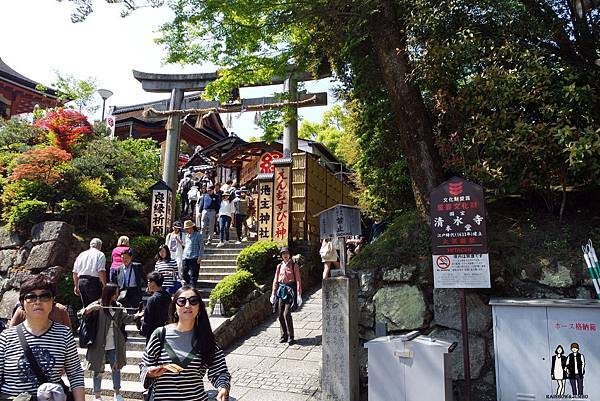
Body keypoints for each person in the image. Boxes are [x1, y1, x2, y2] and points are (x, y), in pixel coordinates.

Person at [0, 275, 85, 400]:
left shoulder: (64, 334)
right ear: (22, 302)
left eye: (45, 296)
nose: (38, 302)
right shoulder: (6, 337)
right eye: (31, 297)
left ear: (53, 301)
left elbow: (75, 374)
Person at [140, 286, 230, 401]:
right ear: (175, 307)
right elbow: (144, 366)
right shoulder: (160, 334)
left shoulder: (205, 338)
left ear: (199, 308)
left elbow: (219, 371)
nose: (187, 305)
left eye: (193, 301)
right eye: (182, 301)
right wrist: (150, 373)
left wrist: (223, 388)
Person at [81, 283, 134, 401]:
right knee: (97, 371)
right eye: (115, 293)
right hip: (98, 344)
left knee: (116, 368)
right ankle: (97, 396)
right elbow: (81, 314)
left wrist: (138, 315)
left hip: (114, 343)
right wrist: (89, 309)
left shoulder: (118, 306)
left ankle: (117, 393)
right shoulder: (97, 305)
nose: (117, 295)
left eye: (118, 293)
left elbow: (126, 318)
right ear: (109, 293)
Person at [270, 247, 302, 345]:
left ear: (290, 254)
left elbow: (298, 280)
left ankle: (291, 336)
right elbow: (276, 280)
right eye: (283, 254)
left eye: (287, 253)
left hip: (290, 291)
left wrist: (299, 294)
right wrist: (273, 293)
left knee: (286, 314)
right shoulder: (279, 266)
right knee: (280, 314)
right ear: (281, 256)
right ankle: (284, 335)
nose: (285, 255)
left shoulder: (294, 265)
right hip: (281, 291)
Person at [134, 272, 171, 343]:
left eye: (148, 282)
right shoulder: (167, 296)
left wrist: (143, 331)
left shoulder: (152, 299)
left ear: (153, 283)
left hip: (153, 334)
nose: (147, 284)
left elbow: (148, 320)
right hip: (165, 332)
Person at [73, 238, 107, 307]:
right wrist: (104, 285)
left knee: (85, 307)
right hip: (93, 282)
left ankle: (86, 317)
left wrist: (76, 286)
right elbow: (101, 271)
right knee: (96, 306)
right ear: (100, 246)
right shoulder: (100, 254)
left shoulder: (81, 254)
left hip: (81, 282)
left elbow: (75, 272)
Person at [181, 220, 204, 288]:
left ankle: (192, 287)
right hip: (186, 257)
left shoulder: (198, 235)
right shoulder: (186, 235)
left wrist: (200, 257)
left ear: (191, 227)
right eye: (185, 229)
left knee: (194, 275)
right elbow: (186, 246)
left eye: (187, 228)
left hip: (195, 257)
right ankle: (190, 284)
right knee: (184, 274)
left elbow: (201, 246)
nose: (186, 230)